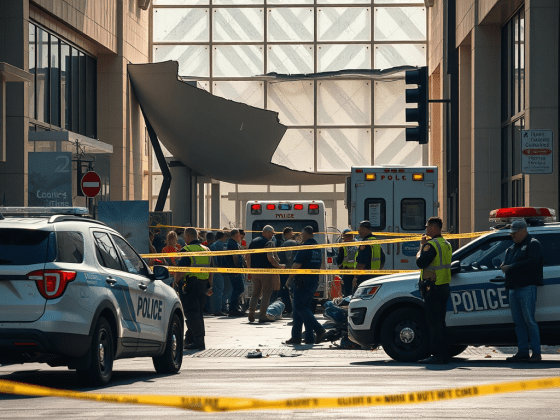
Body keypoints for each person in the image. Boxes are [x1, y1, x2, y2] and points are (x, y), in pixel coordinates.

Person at [501, 219, 544, 363]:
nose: (512, 235)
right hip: (513, 288)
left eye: (515, 233)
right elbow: (507, 263)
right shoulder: (512, 248)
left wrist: (511, 267)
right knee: (518, 322)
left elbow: (533, 262)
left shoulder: (533, 244)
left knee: (529, 321)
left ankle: (536, 353)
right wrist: (504, 265)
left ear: (524, 231)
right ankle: (523, 351)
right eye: (511, 233)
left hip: (526, 287)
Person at [415, 216, 452, 364]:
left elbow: (420, 262)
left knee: (434, 323)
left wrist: (421, 247)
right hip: (444, 286)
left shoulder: (431, 245)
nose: (426, 230)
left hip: (433, 288)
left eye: (428, 228)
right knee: (441, 322)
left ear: (434, 229)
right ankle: (443, 354)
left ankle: (437, 355)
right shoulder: (446, 244)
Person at [283, 226, 326, 345]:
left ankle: (319, 329)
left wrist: (289, 278)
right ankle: (304, 337)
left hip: (302, 282)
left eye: (302, 234)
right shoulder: (317, 247)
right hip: (313, 281)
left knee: (300, 307)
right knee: (304, 308)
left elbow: (297, 265)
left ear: (305, 234)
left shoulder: (305, 247)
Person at [174, 228, 213, 350]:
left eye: (185, 237)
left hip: (190, 284)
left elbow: (181, 270)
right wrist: (210, 284)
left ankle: (199, 341)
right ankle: (190, 338)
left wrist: (176, 282)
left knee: (191, 313)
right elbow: (211, 269)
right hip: (203, 285)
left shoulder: (186, 250)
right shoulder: (206, 250)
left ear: (188, 237)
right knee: (198, 313)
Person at [247, 225, 285, 323]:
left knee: (255, 293)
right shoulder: (269, 243)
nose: (272, 236)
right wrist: (279, 266)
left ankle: (251, 312)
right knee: (266, 293)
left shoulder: (254, 241)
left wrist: (249, 270)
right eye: (272, 234)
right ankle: (262, 315)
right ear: (267, 232)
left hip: (255, 271)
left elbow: (248, 256)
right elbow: (270, 258)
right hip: (266, 272)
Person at [353, 220, 386, 291]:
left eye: (360, 230)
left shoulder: (365, 243)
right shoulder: (376, 242)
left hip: (364, 278)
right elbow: (382, 260)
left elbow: (362, 263)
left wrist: (356, 277)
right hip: (375, 277)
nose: (358, 232)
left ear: (364, 229)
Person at [224, 229, 246, 317]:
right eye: (239, 234)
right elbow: (235, 257)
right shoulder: (233, 243)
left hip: (232, 269)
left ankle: (234, 307)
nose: (240, 236)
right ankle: (233, 308)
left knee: (236, 288)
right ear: (236, 234)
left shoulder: (230, 242)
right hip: (235, 270)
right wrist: (237, 269)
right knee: (239, 288)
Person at [277, 227, 297, 314]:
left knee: (284, 290)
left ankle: (288, 308)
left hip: (285, 270)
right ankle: (290, 308)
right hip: (288, 270)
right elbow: (289, 257)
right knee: (288, 289)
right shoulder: (288, 243)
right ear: (286, 234)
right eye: (291, 233)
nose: (293, 234)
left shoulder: (285, 243)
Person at [209, 231, 227, 316]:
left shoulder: (213, 245)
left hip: (212, 269)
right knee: (219, 290)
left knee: (214, 290)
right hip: (217, 269)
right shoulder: (221, 245)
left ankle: (213, 309)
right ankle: (217, 310)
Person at [337, 228, 358, 297]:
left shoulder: (343, 246)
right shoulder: (358, 244)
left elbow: (339, 260)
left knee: (347, 290)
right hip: (357, 270)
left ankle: (347, 301)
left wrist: (340, 266)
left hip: (347, 271)